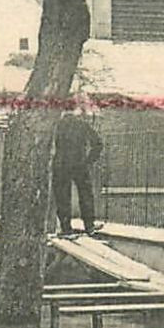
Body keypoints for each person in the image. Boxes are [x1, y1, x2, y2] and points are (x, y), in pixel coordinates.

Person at [53, 101, 104, 236]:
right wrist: (88, 161)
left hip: (61, 165)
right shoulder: (81, 124)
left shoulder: (56, 126)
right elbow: (98, 144)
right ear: (75, 109)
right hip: (79, 164)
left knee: (62, 196)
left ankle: (66, 228)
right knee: (85, 194)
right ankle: (89, 226)